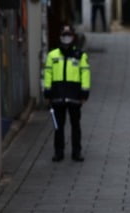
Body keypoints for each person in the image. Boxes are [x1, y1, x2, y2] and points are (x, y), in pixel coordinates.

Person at [43, 25, 90, 162]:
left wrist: (84, 93)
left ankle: (76, 152)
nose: (66, 37)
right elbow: (48, 74)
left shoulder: (80, 55)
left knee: (75, 126)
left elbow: (85, 73)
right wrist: (47, 91)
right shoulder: (52, 55)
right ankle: (59, 152)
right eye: (64, 34)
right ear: (60, 36)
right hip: (57, 96)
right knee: (58, 127)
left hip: (75, 96)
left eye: (68, 35)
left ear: (73, 37)